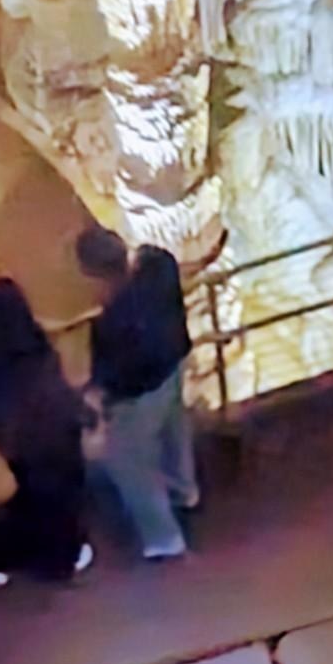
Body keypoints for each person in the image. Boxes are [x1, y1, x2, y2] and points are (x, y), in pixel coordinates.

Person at [0, 276, 92, 583]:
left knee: (33, 498)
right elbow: (54, 381)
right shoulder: (32, 338)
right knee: (61, 498)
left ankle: (16, 557)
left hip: (19, 440)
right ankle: (60, 559)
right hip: (58, 430)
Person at [76, 220, 199, 562]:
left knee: (126, 460)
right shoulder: (160, 263)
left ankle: (165, 541)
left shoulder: (114, 320)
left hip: (144, 388)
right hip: (175, 363)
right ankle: (183, 494)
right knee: (175, 432)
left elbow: (117, 373)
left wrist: (100, 394)